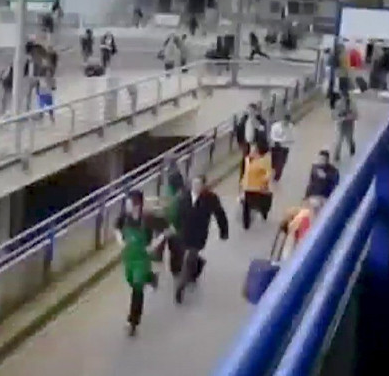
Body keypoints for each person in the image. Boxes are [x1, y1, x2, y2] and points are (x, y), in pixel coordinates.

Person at [114, 190, 166, 336]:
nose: (126, 207)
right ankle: (151, 278)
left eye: (129, 204)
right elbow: (117, 228)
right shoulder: (124, 217)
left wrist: (154, 244)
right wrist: (120, 240)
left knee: (137, 288)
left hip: (142, 258)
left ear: (137, 205)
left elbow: (166, 230)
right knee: (131, 280)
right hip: (129, 257)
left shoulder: (148, 219)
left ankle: (133, 321)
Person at [174, 175, 229, 303]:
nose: (196, 187)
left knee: (189, 258)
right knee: (185, 256)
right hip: (184, 232)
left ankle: (180, 287)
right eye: (194, 184)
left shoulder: (211, 198)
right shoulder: (184, 196)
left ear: (203, 186)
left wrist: (223, 231)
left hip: (198, 234)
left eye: (199, 184)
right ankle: (198, 265)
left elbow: (220, 214)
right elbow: (177, 213)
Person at [240, 140, 274, 230]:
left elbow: (268, 173)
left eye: (254, 149)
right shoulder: (247, 159)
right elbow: (244, 172)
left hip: (258, 187)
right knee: (246, 205)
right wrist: (241, 183)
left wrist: (264, 181)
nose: (252, 150)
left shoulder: (264, 161)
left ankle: (264, 211)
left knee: (260, 202)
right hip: (247, 187)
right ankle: (246, 224)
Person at [333, 91, 358, 162]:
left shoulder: (352, 104)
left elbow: (356, 115)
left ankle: (352, 147)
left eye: (346, 97)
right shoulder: (338, 104)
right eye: (343, 97)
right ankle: (336, 155)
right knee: (339, 140)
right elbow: (335, 115)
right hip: (341, 125)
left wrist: (350, 117)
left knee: (349, 138)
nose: (344, 98)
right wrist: (340, 118)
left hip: (349, 125)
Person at [270, 113, 294, 181]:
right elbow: (272, 137)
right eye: (285, 122)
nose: (286, 123)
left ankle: (276, 178)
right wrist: (281, 140)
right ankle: (274, 172)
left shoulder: (291, 127)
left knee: (281, 163)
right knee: (273, 163)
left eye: (287, 122)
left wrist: (286, 141)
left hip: (285, 148)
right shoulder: (275, 126)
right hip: (275, 146)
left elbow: (291, 138)